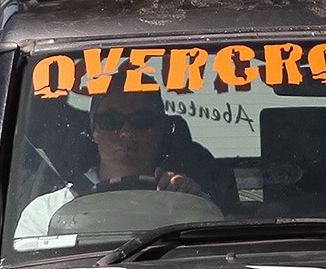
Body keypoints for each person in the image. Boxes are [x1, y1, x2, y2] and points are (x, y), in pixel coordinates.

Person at [13, 89, 211, 247]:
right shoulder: (46, 212)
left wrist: (193, 203)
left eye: (142, 121)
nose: (126, 133)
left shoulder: (190, 204)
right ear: (93, 129)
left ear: (161, 130)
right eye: (111, 121)